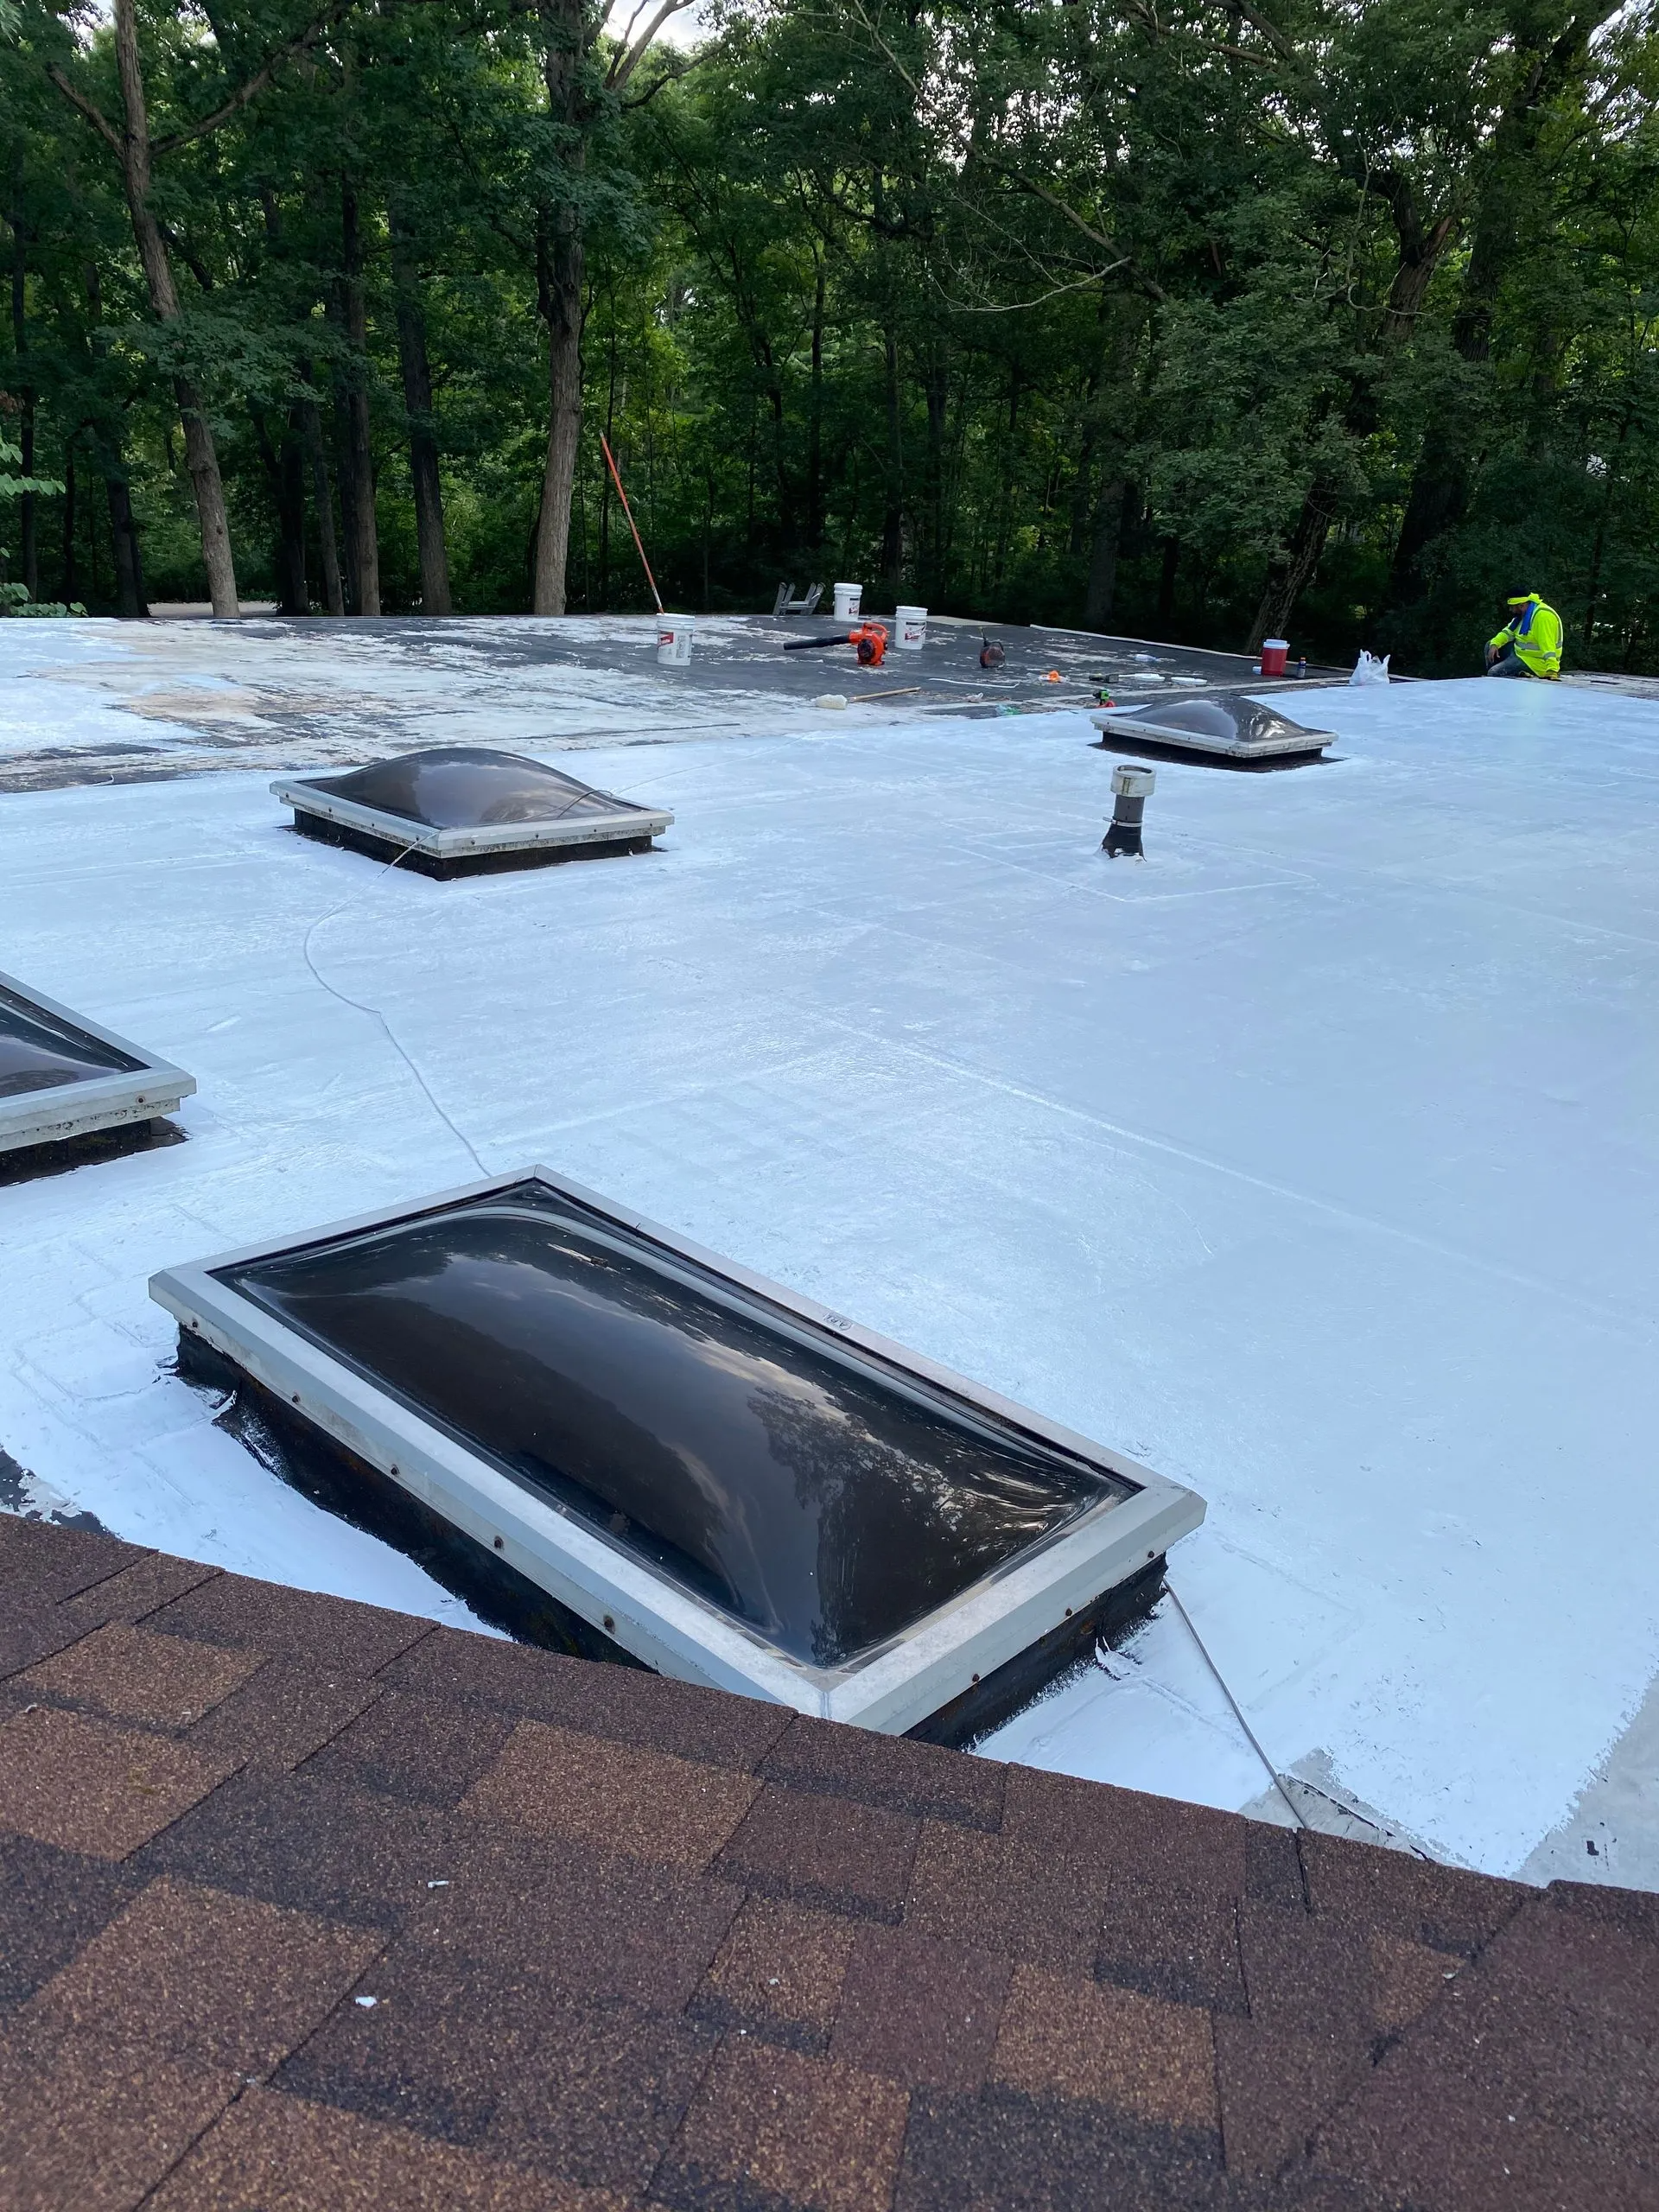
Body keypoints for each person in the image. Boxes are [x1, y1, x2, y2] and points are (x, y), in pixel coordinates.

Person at [1484, 592, 1563, 678]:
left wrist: (1552, 669)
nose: (1510, 610)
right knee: (1490, 645)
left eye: (1512, 607)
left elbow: (1547, 644)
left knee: (1494, 673)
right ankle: (1510, 674)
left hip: (1536, 662)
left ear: (1521, 605)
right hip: (1520, 654)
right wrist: (1495, 643)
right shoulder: (1525, 614)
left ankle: (1503, 678)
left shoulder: (1542, 617)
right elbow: (1508, 632)